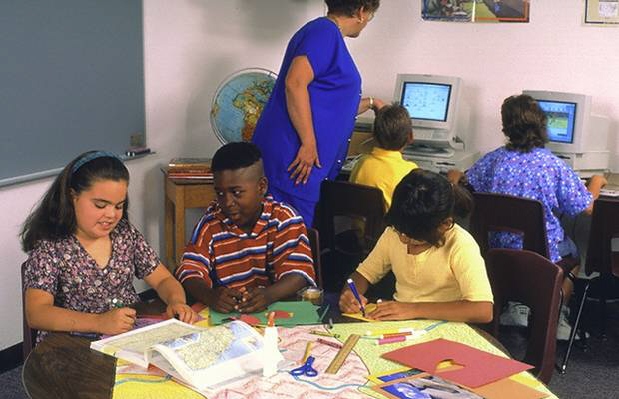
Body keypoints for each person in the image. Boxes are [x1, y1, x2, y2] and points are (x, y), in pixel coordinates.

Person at [447, 94, 606, 337]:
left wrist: (455, 174)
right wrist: (596, 183)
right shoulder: (552, 165)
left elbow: (465, 182)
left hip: (495, 253)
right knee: (574, 255)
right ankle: (556, 312)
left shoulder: (492, 160)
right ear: (542, 126)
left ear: (506, 128)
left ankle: (516, 306)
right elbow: (586, 207)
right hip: (541, 256)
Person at [21, 151, 197, 341]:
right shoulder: (51, 247)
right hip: (74, 345)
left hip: (127, 336)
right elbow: (37, 313)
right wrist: (99, 322)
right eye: (100, 205)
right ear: (73, 197)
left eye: (119, 206)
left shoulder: (124, 233)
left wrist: (176, 301)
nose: (111, 215)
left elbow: (163, 280)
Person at [252, 0, 384, 226]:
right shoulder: (324, 33)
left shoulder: (326, 35)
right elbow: (294, 83)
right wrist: (308, 142)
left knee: (291, 241)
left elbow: (331, 105)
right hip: (294, 161)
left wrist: (372, 103)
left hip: (300, 163)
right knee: (288, 244)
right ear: (362, 12)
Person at [175, 142, 316, 314]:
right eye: (220, 193)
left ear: (261, 187)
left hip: (278, 315)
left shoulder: (283, 219)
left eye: (236, 192)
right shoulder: (210, 224)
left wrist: (268, 295)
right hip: (232, 320)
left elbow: (299, 273)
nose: (227, 202)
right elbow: (189, 271)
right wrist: (211, 296)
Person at [339, 169, 493, 323]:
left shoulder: (460, 244)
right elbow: (363, 275)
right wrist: (350, 294)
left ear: (444, 225)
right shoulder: (393, 233)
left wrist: (413, 309)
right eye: (399, 231)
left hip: (444, 328)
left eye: (415, 238)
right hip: (401, 325)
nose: (404, 239)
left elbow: (483, 310)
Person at [349, 104, 418, 210]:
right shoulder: (411, 172)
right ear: (410, 137)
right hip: (391, 226)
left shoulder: (361, 163)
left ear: (373, 135)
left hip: (358, 226)